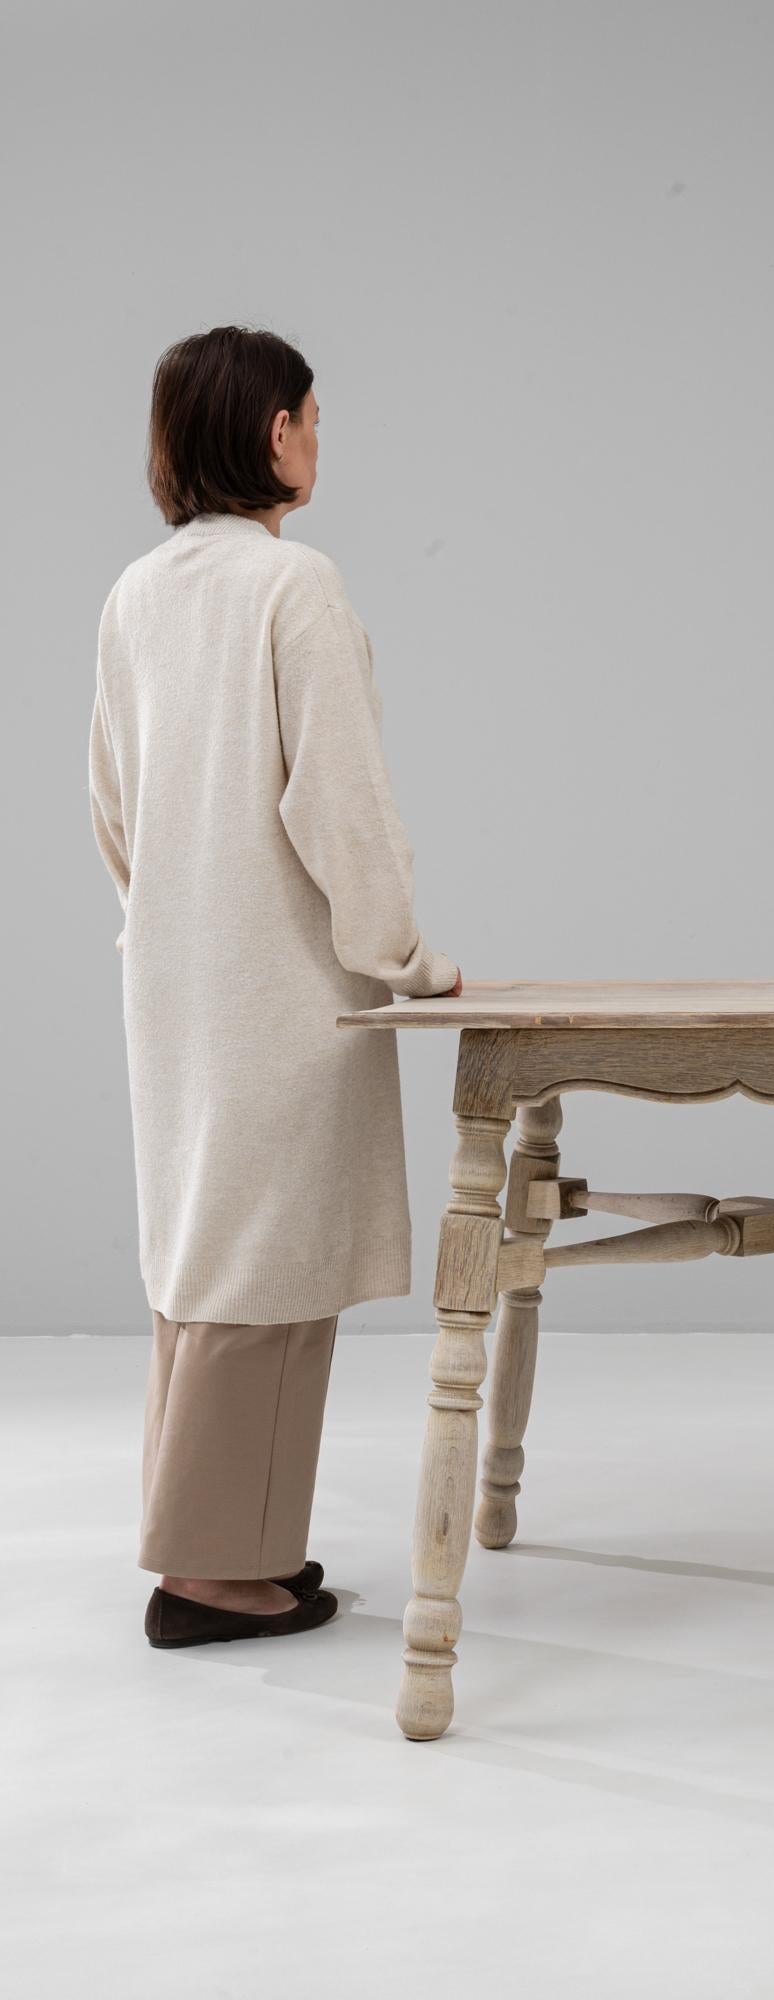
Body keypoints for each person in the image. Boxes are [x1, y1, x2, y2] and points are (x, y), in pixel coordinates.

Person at [88, 324, 463, 1649]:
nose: (319, 437)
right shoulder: (291, 590)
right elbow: (341, 808)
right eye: (311, 414)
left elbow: (112, 808)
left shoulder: (137, 595)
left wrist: (165, 921)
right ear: (270, 434)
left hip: (177, 977)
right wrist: (407, 957)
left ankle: (239, 1545)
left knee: (206, 1258)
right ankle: (208, 1575)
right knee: (266, 1270)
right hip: (280, 979)